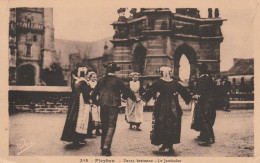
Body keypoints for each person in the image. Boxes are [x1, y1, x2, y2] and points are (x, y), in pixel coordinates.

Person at [141, 66, 191, 154]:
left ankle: (166, 144)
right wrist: (189, 98)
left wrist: (143, 100)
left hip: (162, 106)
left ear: (162, 73)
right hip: (173, 106)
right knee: (172, 124)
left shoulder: (159, 82)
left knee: (162, 123)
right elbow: (184, 92)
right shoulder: (175, 83)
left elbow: (150, 91)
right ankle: (169, 145)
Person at [91, 63, 137, 156]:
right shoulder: (117, 80)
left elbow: (93, 95)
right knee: (111, 126)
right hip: (113, 105)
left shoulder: (101, 80)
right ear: (115, 71)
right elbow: (126, 91)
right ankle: (106, 147)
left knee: (104, 125)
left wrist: (96, 103)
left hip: (103, 105)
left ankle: (103, 146)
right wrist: (135, 98)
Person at [61, 68, 92, 144]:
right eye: (87, 74)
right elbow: (85, 94)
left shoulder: (77, 82)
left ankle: (75, 138)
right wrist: (89, 100)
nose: (88, 75)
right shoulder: (83, 82)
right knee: (81, 119)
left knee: (75, 119)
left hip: (76, 103)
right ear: (85, 74)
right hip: (81, 103)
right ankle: (78, 138)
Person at [191, 63, 216, 146]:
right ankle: (205, 136)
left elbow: (201, 90)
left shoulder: (203, 79)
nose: (197, 72)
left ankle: (208, 138)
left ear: (201, 71)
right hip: (209, 101)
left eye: (198, 70)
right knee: (206, 118)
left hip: (205, 101)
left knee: (203, 118)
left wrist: (195, 95)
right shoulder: (208, 77)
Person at [87, 71, 102, 136]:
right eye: (93, 77)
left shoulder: (97, 83)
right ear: (90, 78)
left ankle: (98, 130)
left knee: (98, 114)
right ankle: (90, 130)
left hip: (97, 98)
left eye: (96, 77)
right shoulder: (88, 83)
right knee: (92, 114)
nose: (95, 79)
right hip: (91, 98)